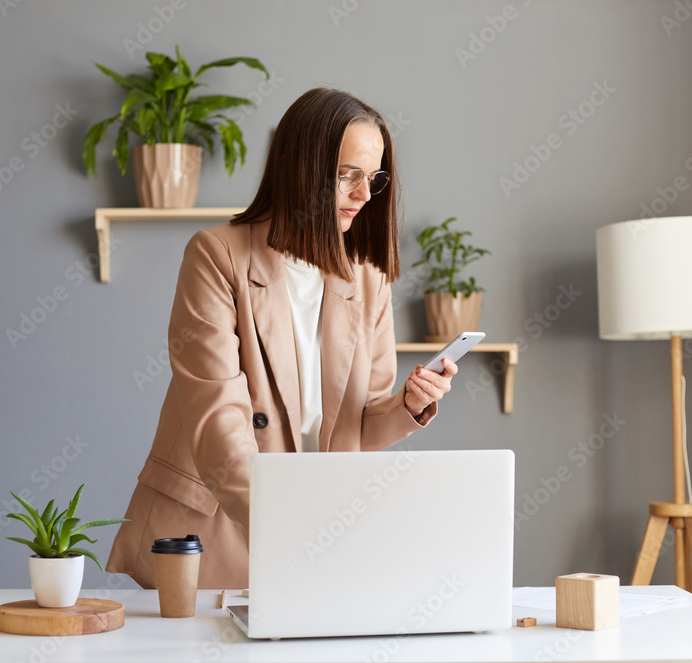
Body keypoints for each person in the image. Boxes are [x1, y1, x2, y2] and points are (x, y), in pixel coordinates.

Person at [105, 87, 457, 589]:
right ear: (302, 168)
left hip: (314, 531)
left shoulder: (367, 275)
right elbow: (217, 423)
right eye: (347, 176)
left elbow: (360, 422)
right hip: (219, 528)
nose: (363, 195)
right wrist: (294, 532)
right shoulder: (216, 254)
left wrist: (408, 404)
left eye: (373, 179)